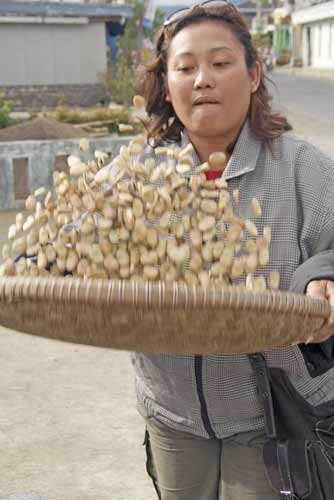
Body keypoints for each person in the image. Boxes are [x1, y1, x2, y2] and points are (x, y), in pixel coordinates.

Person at [129, 1, 334, 499]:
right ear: (167, 83)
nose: (203, 79)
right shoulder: (136, 175)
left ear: (254, 73)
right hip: (173, 410)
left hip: (274, 412)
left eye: (220, 63)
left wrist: (322, 275)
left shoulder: (304, 168)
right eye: (185, 67)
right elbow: (75, 244)